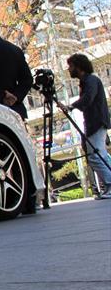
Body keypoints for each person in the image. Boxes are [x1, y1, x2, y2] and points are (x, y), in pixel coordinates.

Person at [57, 54, 111, 199]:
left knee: (95, 156)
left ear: (79, 67)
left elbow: (88, 98)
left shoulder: (91, 80)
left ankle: (110, 185)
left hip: (96, 123)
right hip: (95, 123)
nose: (69, 69)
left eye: (71, 66)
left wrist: (71, 106)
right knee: (100, 155)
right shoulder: (87, 81)